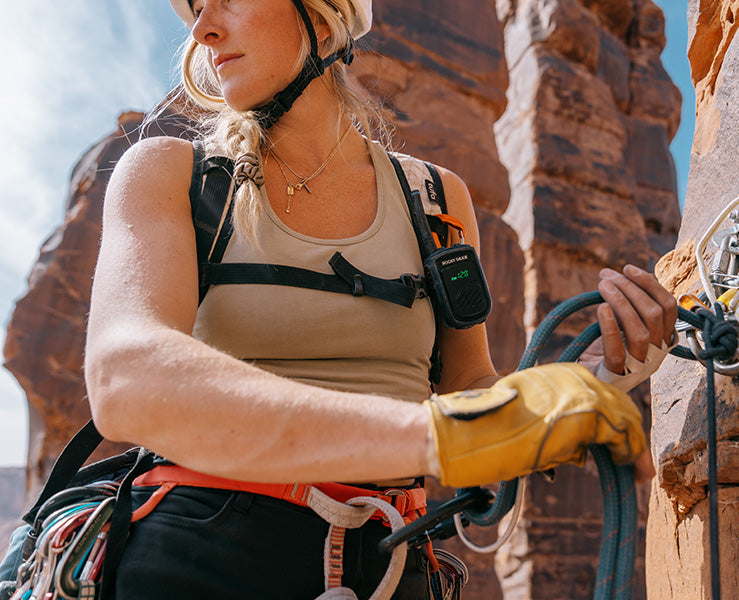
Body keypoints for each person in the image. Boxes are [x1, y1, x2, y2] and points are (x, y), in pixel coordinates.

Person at [83, 0, 677, 598]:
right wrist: (437, 437)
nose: (203, 27)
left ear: (320, 18)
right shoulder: (170, 172)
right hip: (201, 553)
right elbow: (123, 374)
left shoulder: (436, 199)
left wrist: (591, 374)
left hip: (394, 562)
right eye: (197, 9)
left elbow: (466, 389)